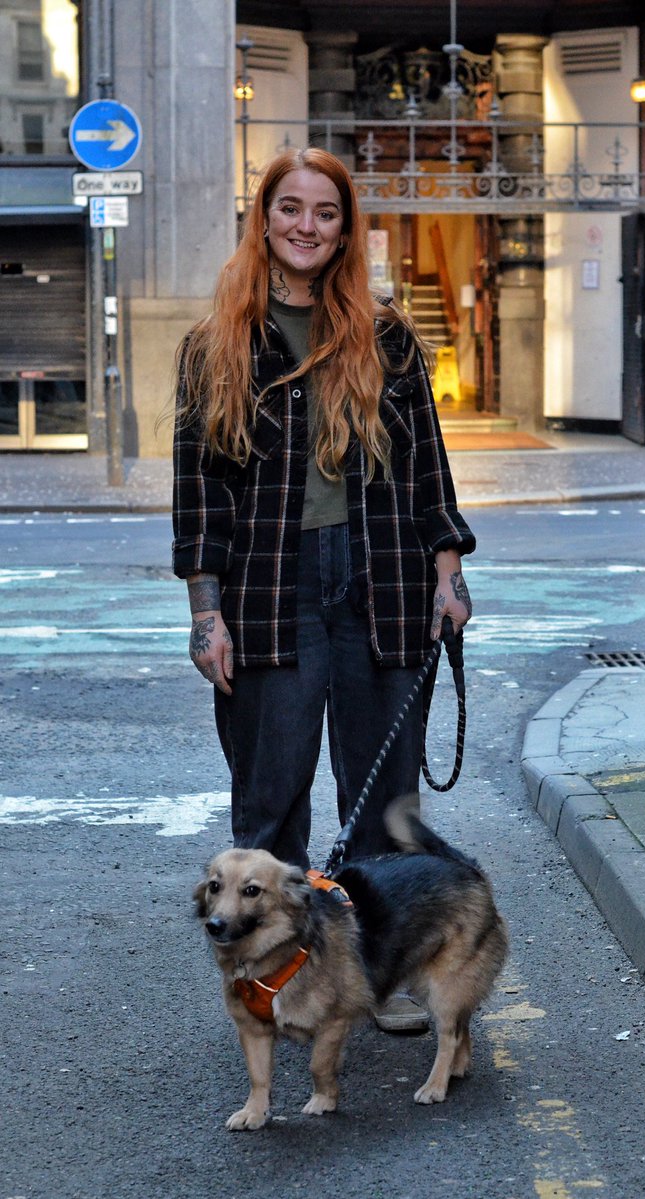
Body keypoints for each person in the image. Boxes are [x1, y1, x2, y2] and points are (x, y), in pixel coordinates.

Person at [172, 148, 474, 1029]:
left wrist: (447, 575)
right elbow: (200, 494)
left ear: (347, 230)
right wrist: (205, 613)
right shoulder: (216, 345)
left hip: (382, 577)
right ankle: (273, 983)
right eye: (291, 208)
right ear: (264, 219)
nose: (307, 225)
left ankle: (376, 977)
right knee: (270, 801)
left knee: (385, 802)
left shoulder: (385, 338)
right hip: (270, 588)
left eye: (326, 212)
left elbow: (427, 471)